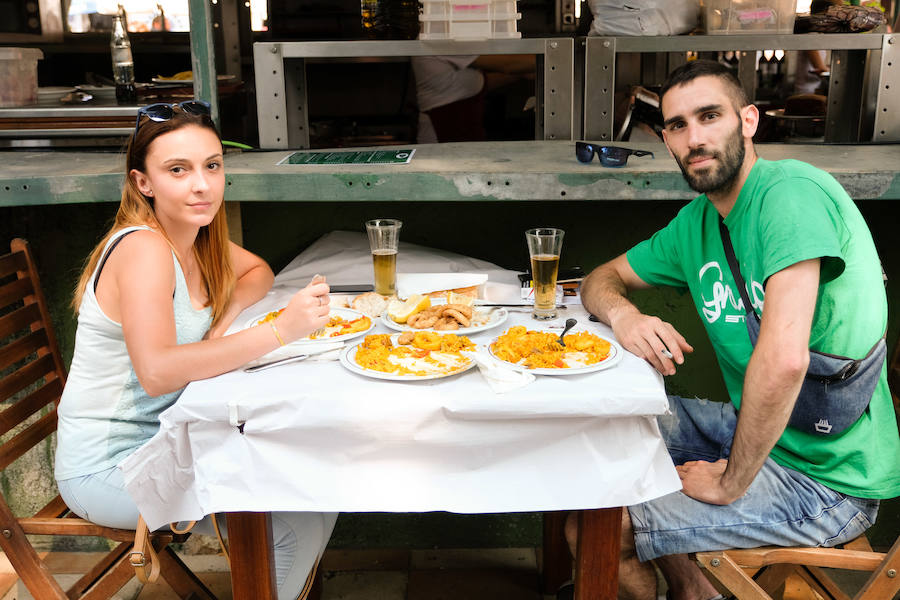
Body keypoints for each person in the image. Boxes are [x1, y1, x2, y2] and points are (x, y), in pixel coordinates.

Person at [567, 60, 900, 600]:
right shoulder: (697, 225)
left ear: (748, 120)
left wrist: (728, 482)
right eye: (678, 125)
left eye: (709, 116)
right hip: (758, 432)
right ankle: (695, 590)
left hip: (828, 479)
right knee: (600, 433)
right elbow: (601, 279)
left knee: (602, 526)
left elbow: (785, 359)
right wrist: (625, 314)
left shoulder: (788, 195)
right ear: (667, 140)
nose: (695, 138)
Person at [53, 100, 337, 600]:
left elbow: (257, 274)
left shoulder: (193, 236)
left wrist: (219, 324)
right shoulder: (143, 249)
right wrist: (280, 331)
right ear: (144, 183)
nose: (202, 185)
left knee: (318, 481)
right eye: (178, 170)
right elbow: (159, 372)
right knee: (292, 523)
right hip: (111, 468)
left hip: (170, 438)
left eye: (212, 165)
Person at [411, 54, 535, 143]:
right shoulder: (441, 36)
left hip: (462, 128)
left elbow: (473, 83)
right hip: (443, 131)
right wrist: (551, 57)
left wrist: (520, 75)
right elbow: (508, 64)